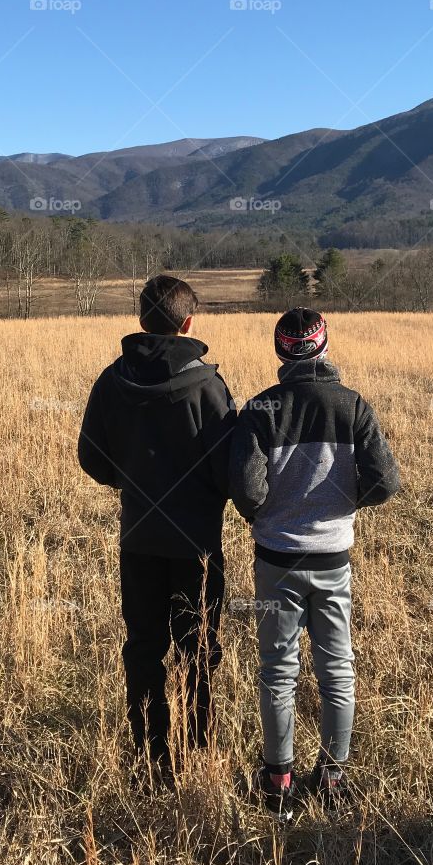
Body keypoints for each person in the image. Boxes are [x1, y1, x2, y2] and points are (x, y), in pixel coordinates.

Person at [229, 307, 400, 821]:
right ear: (323, 346)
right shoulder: (353, 405)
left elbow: (246, 488)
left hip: (276, 559)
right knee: (337, 669)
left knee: (278, 670)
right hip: (333, 559)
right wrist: (343, 504)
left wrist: (266, 514)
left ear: (280, 351)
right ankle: (332, 776)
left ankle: (277, 781)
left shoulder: (260, 409)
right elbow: (385, 481)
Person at [78, 275, 235, 772]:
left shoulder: (111, 380)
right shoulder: (207, 387)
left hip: (138, 538)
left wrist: (132, 481)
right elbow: (230, 468)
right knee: (198, 648)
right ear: (188, 324)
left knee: (144, 648)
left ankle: (150, 752)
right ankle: (197, 747)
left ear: (141, 320)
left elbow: (92, 457)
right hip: (197, 545)